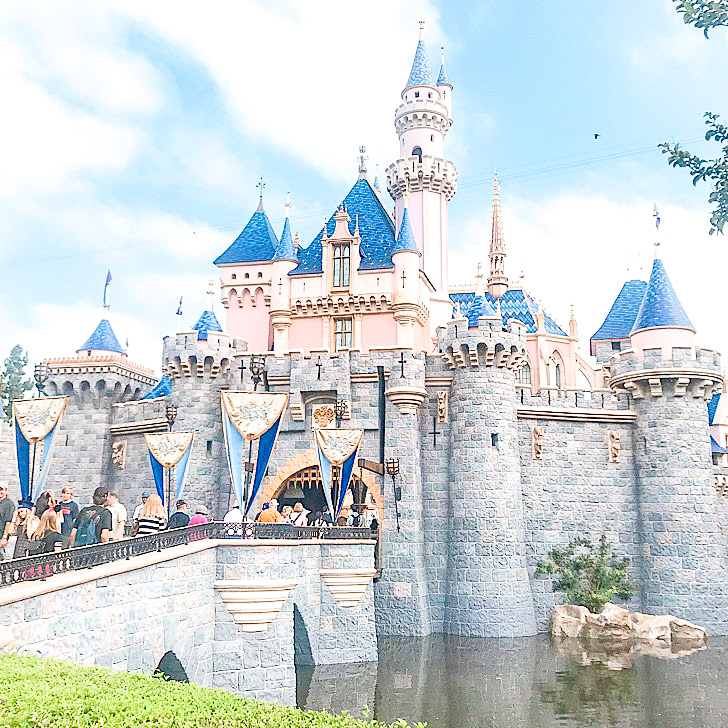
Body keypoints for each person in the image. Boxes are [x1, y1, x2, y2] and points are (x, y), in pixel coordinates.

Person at [0, 485, 16, 560]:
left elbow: (8, 522)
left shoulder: (9, 504)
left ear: (6, 491)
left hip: (1, 535)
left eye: (1, 490)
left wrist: (4, 537)